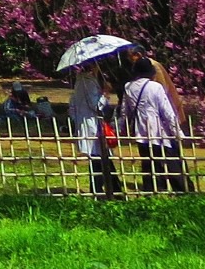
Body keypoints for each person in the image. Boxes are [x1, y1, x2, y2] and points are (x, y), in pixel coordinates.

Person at [121, 55, 188, 193]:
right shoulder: (155, 87)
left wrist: (122, 127)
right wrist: (177, 132)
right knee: (171, 161)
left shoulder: (128, 87)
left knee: (148, 163)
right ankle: (182, 190)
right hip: (158, 130)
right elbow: (167, 111)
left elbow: (124, 111)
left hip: (141, 130)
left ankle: (151, 190)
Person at [70, 65, 123, 199]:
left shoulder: (79, 82)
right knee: (99, 158)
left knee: (100, 158)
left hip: (85, 122)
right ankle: (100, 189)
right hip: (93, 124)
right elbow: (96, 105)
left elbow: (72, 106)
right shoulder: (89, 82)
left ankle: (111, 188)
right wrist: (105, 94)